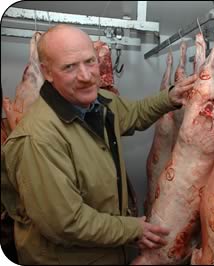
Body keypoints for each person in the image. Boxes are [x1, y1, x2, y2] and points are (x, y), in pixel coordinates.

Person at [0, 24, 197, 265]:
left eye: (89, 62)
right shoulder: (37, 139)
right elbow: (64, 223)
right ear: (47, 73)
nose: (85, 76)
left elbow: (133, 113)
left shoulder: (100, 103)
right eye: (69, 67)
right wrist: (132, 229)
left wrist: (170, 97)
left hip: (107, 252)